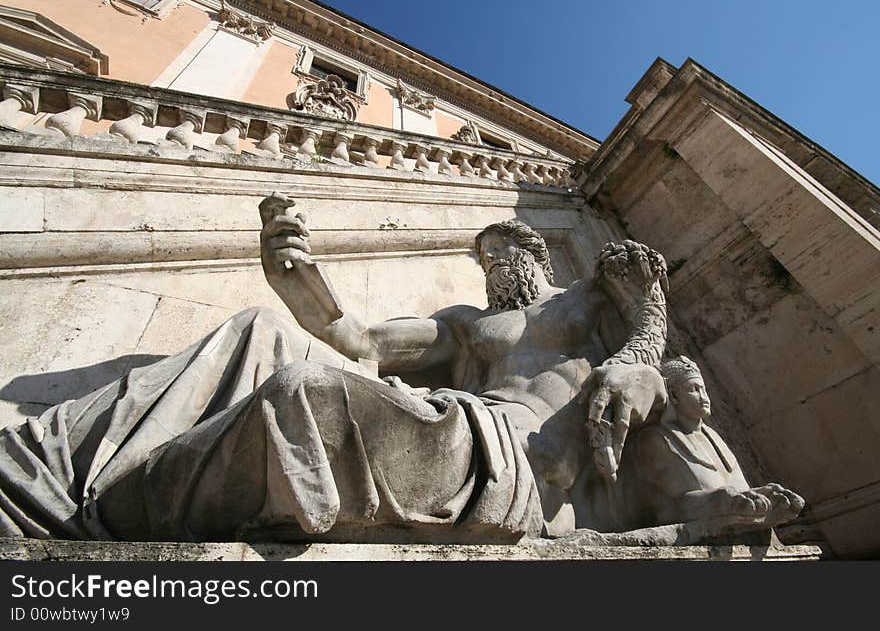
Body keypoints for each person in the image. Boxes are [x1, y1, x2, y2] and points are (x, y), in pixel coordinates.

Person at [0, 193, 669, 542]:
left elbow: (651, 324)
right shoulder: (469, 322)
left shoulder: (588, 296)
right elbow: (360, 341)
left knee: (303, 396)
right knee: (256, 330)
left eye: (506, 254)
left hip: (518, 461)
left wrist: (634, 369)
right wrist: (295, 277)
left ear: (539, 257)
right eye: (487, 257)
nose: (495, 266)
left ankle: (105, 518)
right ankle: (47, 468)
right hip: (460, 425)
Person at [617, 355, 804, 531]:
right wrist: (723, 501)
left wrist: (766, 496)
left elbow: (741, 494)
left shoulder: (713, 436)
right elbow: (668, 511)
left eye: (704, 389)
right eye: (694, 389)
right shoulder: (654, 439)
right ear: (674, 396)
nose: (703, 396)